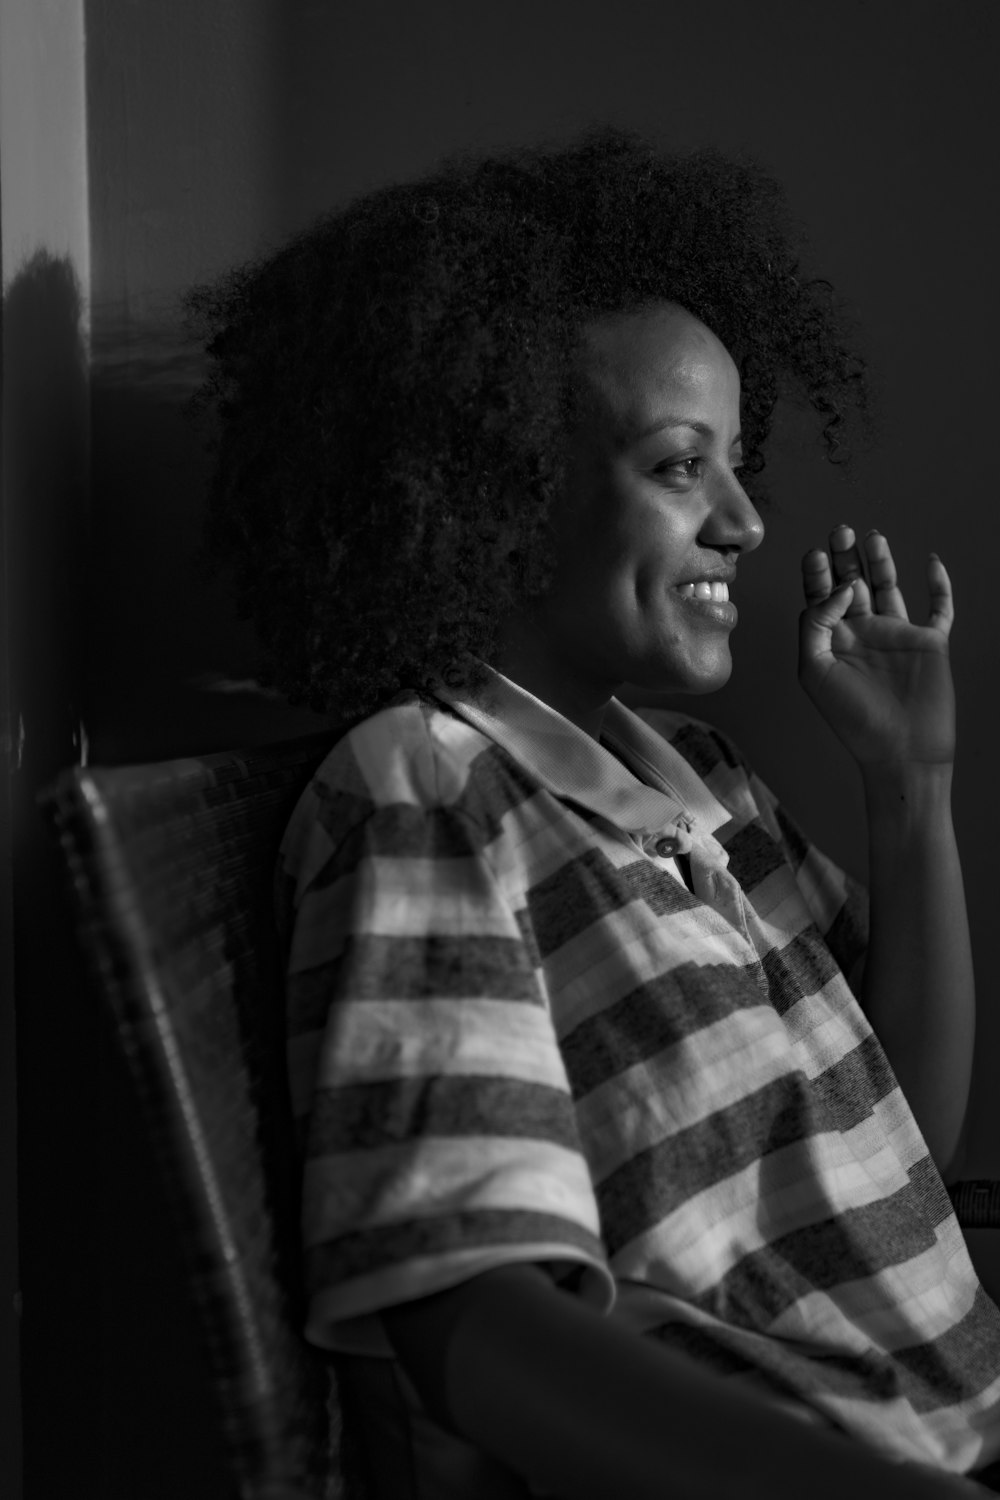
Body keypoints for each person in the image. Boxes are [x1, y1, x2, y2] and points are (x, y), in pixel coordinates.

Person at [186, 129, 1000, 1497]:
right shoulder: (432, 791)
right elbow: (479, 1331)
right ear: (495, 487)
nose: (746, 518)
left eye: (740, 463)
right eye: (683, 466)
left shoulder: (711, 786)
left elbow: (905, 1151)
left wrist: (913, 791)